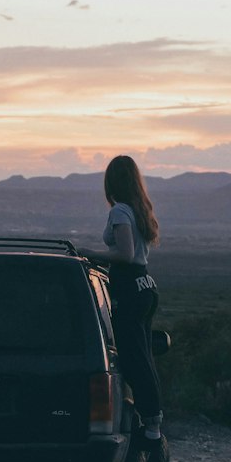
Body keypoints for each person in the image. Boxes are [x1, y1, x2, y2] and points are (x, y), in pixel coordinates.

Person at [80, 155, 163, 443]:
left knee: (131, 355)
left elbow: (125, 254)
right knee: (143, 353)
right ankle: (151, 420)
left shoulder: (120, 212)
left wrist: (90, 253)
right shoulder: (140, 209)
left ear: (112, 181)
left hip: (129, 286)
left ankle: (151, 424)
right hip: (146, 285)